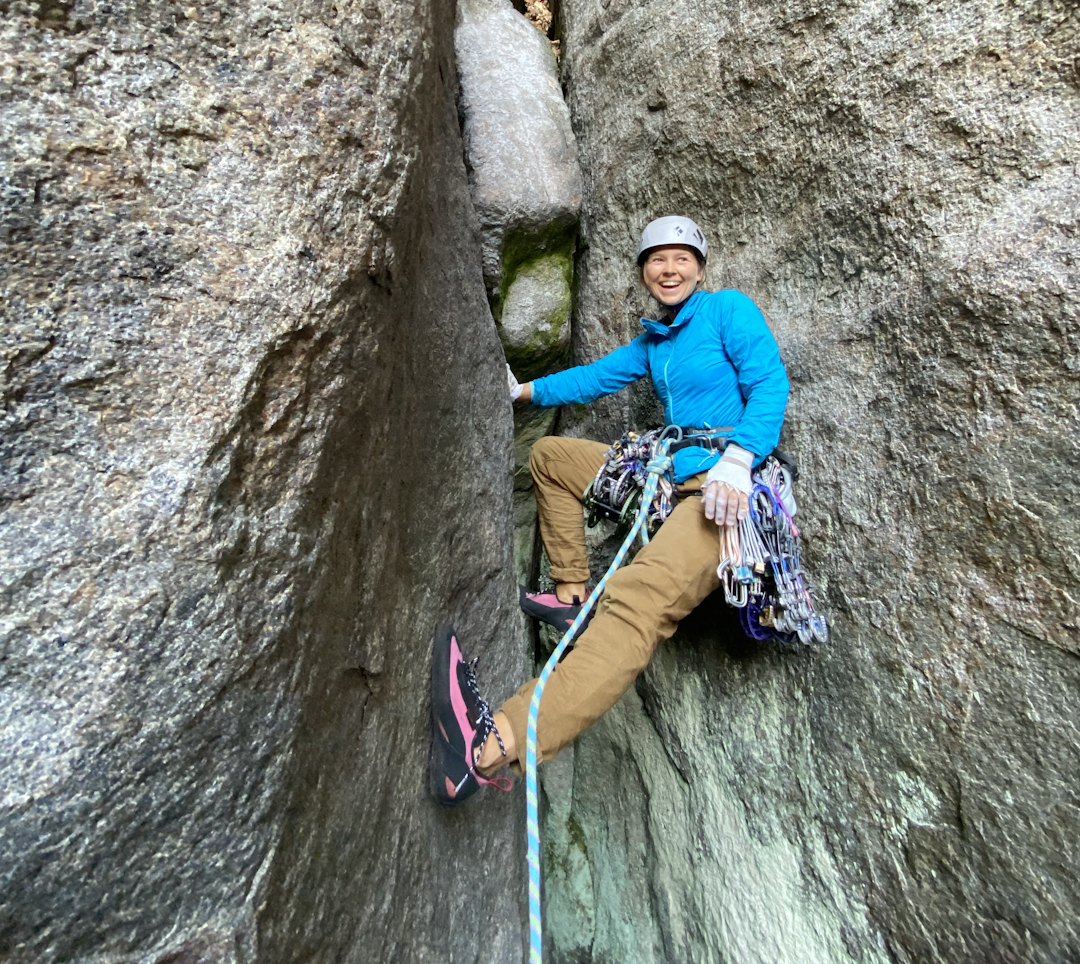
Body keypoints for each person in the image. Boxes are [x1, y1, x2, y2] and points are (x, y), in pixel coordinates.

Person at [429, 216, 789, 806]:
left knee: (633, 600)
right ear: (644, 271)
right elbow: (595, 379)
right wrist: (520, 392)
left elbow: (770, 382)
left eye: (681, 259)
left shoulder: (729, 311)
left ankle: (490, 748)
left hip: (725, 494)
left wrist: (740, 458)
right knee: (552, 457)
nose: (668, 270)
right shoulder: (655, 341)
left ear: (700, 267)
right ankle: (571, 593)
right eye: (656, 260)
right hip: (666, 476)